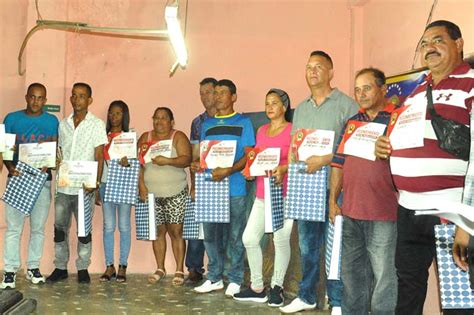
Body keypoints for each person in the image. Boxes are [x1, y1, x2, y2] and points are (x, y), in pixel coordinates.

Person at [375, 20, 474, 314]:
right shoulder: (417, 90)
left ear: (458, 44)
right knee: (409, 283)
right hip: (409, 208)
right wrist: (385, 145)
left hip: (452, 209)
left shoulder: (471, 84)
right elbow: (405, 135)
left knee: (460, 294)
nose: (429, 47)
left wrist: (466, 223)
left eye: (438, 40)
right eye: (424, 43)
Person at [280, 51, 358, 314]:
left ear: (331, 72)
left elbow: (353, 146)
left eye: (319, 67)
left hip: (336, 189)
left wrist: (325, 158)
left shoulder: (347, 105)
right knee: (307, 246)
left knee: (335, 246)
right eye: (308, 67)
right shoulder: (300, 108)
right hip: (305, 189)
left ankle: (337, 301)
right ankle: (307, 295)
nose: (312, 72)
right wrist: (292, 161)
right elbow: (295, 147)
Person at [329, 68, 398, 314]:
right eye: (357, 89)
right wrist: (332, 201)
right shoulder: (352, 122)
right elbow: (338, 163)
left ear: (383, 89)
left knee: (383, 278)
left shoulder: (396, 119)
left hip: (383, 214)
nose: (361, 94)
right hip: (350, 212)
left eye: (367, 88)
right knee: (352, 275)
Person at [192, 79, 256, 297]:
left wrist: (229, 171)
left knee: (235, 236)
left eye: (222, 93)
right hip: (210, 187)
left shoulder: (244, 122)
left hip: (235, 187)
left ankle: (235, 278)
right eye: (215, 93)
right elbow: (204, 157)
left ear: (234, 97)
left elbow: (249, 155)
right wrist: (198, 166)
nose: (217, 97)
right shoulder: (207, 125)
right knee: (210, 236)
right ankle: (215, 277)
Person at [233, 88, 293, 307]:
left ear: (284, 107)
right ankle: (258, 287)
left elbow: (296, 161)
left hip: (284, 195)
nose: (269, 107)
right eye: (267, 103)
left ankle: (277, 287)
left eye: (274, 103)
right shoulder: (261, 130)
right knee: (249, 238)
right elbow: (256, 158)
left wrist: (283, 168)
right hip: (261, 194)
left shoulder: (292, 130)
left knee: (280, 240)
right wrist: (250, 170)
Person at [47, 82, 108, 284]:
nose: (76, 99)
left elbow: (100, 156)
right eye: (74, 95)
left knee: (84, 230)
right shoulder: (62, 124)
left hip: (84, 188)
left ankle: (83, 267)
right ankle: (60, 267)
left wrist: (96, 182)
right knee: (59, 229)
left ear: (89, 100)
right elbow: (59, 152)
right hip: (63, 187)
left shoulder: (97, 124)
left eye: (82, 96)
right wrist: (55, 160)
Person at [1, 83, 59, 289]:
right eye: (32, 97)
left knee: (38, 229)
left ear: (45, 100)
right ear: (26, 97)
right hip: (17, 178)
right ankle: (9, 271)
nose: (36, 101)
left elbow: (53, 150)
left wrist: (49, 164)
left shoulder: (52, 121)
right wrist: (10, 167)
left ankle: (33, 268)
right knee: (14, 229)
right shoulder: (11, 119)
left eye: (40, 98)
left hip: (42, 181)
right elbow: (5, 149)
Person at [138, 107, 191, 286]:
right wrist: (141, 186)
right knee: (158, 232)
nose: (159, 122)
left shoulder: (178, 136)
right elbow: (138, 164)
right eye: (156, 118)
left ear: (171, 121)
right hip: (152, 194)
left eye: (164, 118)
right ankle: (160, 268)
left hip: (175, 192)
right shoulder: (145, 138)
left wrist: (167, 160)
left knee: (176, 232)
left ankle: (179, 269)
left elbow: (187, 159)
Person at [186, 77, 218, 283]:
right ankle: (194, 269)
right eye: (201, 93)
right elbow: (194, 155)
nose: (205, 97)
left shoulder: (233, 119)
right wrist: (194, 185)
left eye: (208, 92)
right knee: (196, 226)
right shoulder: (197, 123)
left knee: (221, 229)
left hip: (227, 179)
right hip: (203, 179)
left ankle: (220, 270)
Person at [98, 100, 133, 282]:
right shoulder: (102, 136)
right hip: (105, 184)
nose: (114, 117)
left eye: (118, 113)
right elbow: (97, 161)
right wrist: (96, 186)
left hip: (124, 186)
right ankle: (109, 265)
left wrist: (128, 163)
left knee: (124, 226)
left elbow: (137, 166)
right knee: (108, 226)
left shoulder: (130, 137)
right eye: (111, 113)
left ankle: (123, 265)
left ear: (124, 115)